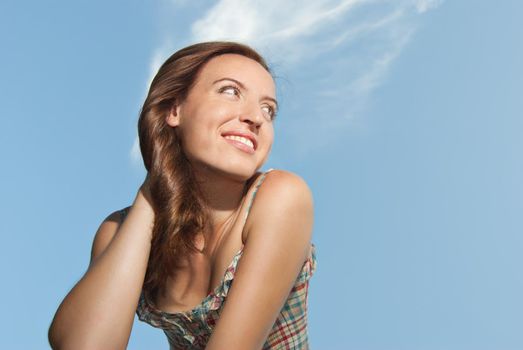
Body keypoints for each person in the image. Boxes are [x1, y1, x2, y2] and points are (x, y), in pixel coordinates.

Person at [48, 41, 317, 350]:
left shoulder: (281, 197)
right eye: (230, 91)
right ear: (174, 110)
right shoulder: (118, 231)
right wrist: (154, 192)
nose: (256, 117)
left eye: (268, 109)